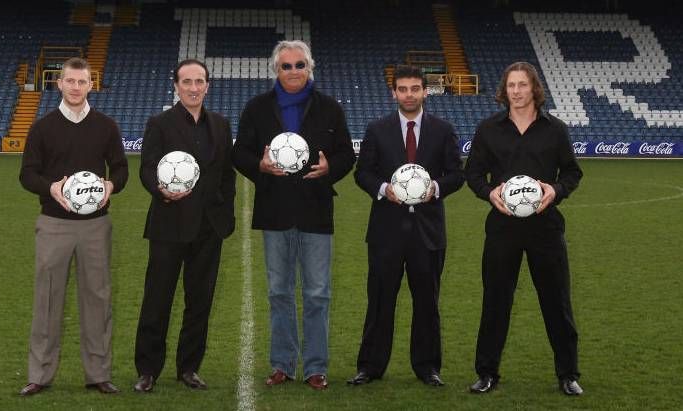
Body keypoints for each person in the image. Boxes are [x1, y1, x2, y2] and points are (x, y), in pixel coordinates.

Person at [232, 40, 355, 390]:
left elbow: (347, 154)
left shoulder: (329, 108)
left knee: (318, 293)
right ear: (276, 70)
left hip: (316, 211)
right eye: (286, 66)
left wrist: (331, 168)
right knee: (279, 293)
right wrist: (260, 165)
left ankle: (316, 367)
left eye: (300, 65)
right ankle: (282, 364)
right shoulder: (257, 108)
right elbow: (239, 152)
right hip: (275, 212)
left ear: (309, 68)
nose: (293, 71)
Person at [464, 61, 584, 396]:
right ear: (505, 90)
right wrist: (489, 192)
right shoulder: (489, 129)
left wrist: (555, 191)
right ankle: (487, 373)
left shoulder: (555, 129)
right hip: (502, 227)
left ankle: (568, 374)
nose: (517, 91)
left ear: (534, 89)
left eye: (523, 85)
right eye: (511, 85)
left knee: (556, 302)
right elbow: (472, 173)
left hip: (545, 227)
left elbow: (572, 173)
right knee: (495, 302)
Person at [348, 65, 464, 387]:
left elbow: (457, 174)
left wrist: (435, 189)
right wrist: (385, 190)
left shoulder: (443, 130)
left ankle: (427, 368)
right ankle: (370, 366)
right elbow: (363, 172)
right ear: (394, 92)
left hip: (427, 233)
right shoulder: (377, 129)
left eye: (415, 88)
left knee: (427, 302)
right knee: (380, 300)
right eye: (403, 89)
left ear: (425, 91)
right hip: (386, 231)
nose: (409, 94)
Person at [18, 57, 128, 396]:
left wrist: (111, 186)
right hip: (54, 224)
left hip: (95, 225)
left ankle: (98, 373)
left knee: (97, 298)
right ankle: (39, 374)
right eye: (70, 81)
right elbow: (27, 174)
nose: (76, 87)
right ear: (59, 84)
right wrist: (50, 186)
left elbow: (121, 169)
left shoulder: (106, 126)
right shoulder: (42, 127)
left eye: (82, 82)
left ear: (90, 85)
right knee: (48, 298)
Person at [133, 59, 235, 393]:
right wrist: (159, 189)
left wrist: (226, 215)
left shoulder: (220, 125)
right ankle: (147, 370)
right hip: (168, 224)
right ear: (175, 86)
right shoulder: (160, 123)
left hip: (208, 227)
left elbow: (227, 174)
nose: (193, 88)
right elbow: (147, 167)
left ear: (208, 85)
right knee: (157, 300)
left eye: (199, 81)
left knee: (200, 302)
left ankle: (189, 367)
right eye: (187, 82)